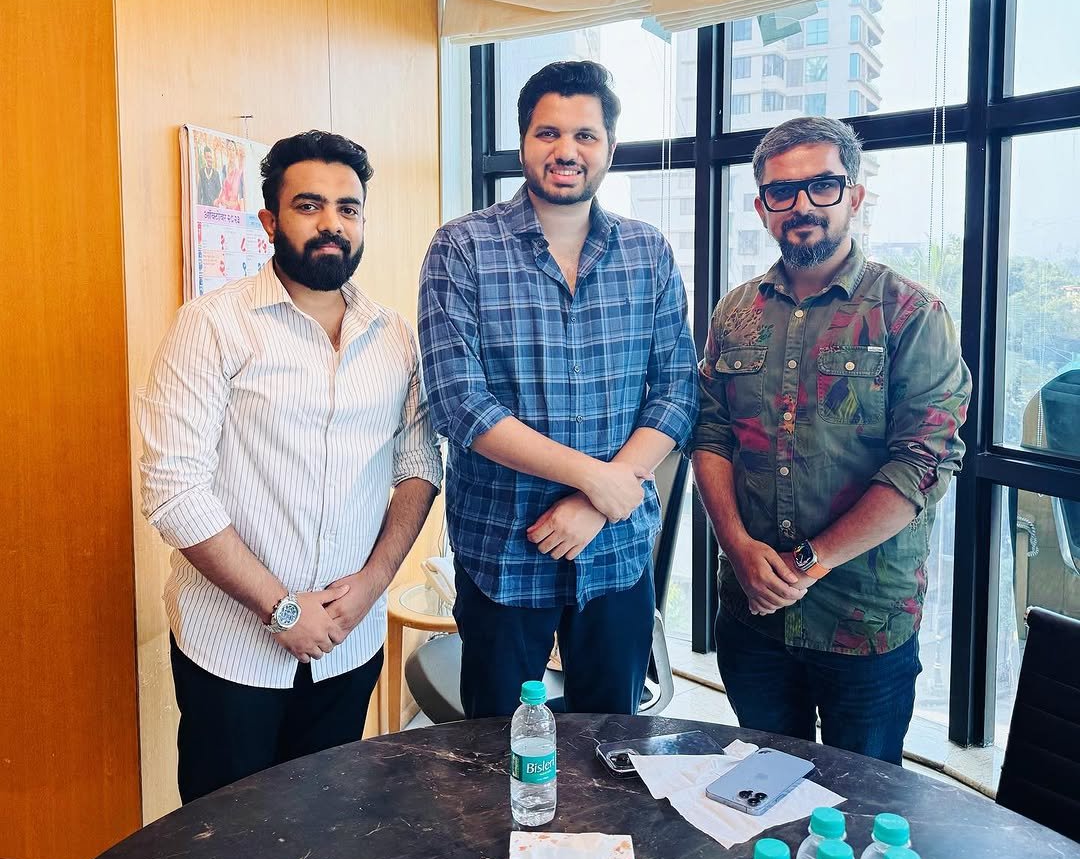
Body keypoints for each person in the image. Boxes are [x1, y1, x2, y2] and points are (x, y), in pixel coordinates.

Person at [139, 129, 442, 802]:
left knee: (326, 828)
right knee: (227, 841)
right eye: (310, 206)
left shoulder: (393, 336)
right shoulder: (211, 326)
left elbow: (419, 465)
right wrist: (280, 611)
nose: (332, 223)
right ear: (270, 221)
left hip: (348, 642)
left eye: (348, 207)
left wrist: (370, 585)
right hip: (232, 651)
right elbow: (172, 490)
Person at [419, 60, 698, 718]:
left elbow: (679, 388)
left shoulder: (646, 252)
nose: (566, 151)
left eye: (585, 135)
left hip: (616, 549)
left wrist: (601, 500)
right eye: (548, 133)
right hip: (503, 551)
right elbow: (459, 402)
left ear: (608, 148)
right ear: (523, 142)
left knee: (614, 746)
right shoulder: (462, 248)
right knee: (498, 751)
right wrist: (595, 479)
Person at [691, 116, 970, 765]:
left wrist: (808, 563)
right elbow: (710, 433)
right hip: (750, 614)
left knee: (860, 810)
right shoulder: (734, 313)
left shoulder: (911, 313)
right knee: (761, 791)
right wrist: (736, 548)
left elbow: (923, 466)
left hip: (863, 623)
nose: (803, 206)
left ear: (854, 195)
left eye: (823, 186)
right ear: (762, 207)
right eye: (782, 192)